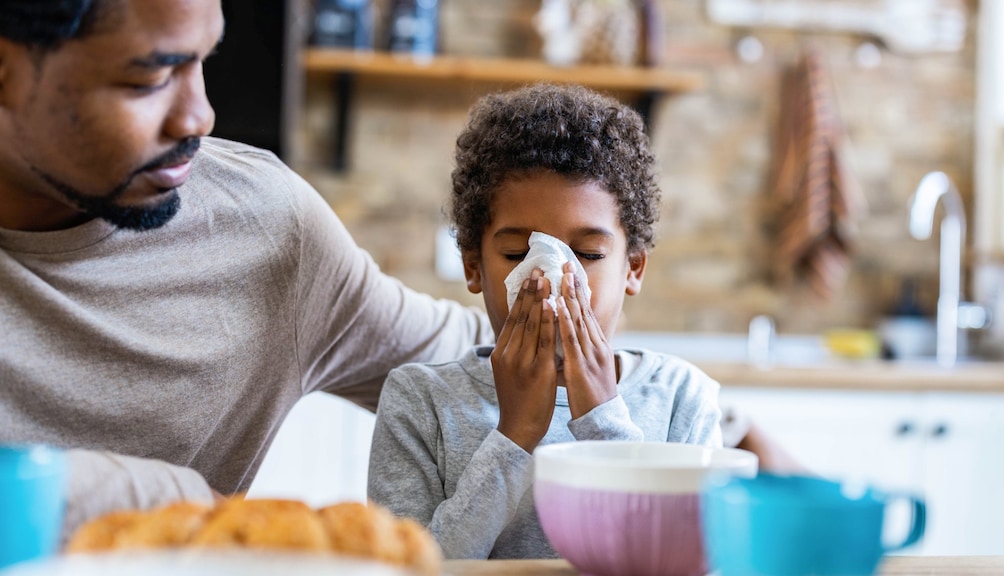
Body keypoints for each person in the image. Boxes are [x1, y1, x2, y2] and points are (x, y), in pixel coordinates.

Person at [0, 0, 491, 539]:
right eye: (151, 77)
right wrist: (168, 499)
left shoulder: (267, 231)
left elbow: (481, 362)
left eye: (202, 60)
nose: (198, 116)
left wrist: (575, 285)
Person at [367, 83, 723, 560]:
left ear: (632, 268)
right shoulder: (419, 403)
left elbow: (682, 561)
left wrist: (604, 423)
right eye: (518, 253)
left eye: (589, 254)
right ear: (473, 265)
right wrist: (513, 437)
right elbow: (407, 569)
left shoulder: (682, 400)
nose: (554, 283)